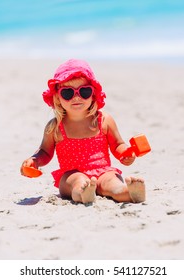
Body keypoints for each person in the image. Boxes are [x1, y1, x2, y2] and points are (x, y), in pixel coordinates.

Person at [21, 59, 146, 204]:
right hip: (71, 175)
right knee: (78, 181)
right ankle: (84, 193)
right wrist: (35, 161)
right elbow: (45, 152)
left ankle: (127, 192)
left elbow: (118, 144)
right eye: (67, 93)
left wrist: (125, 153)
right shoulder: (55, 127)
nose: (76, 97)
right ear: (57, 97)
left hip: (103, 171)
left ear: (93, 94)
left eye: (84, 91)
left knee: (112, 181)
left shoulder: (103, 120)